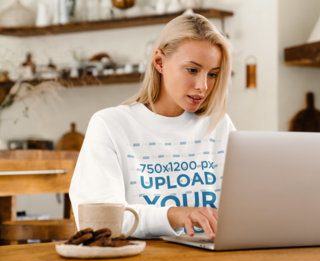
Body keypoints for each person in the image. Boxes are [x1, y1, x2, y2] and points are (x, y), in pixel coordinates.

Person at [69, 13, 235, 240]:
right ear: (159, 62)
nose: (203, 86)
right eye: (192, 70)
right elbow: (101, 222)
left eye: (213, 74)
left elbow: (243, 207)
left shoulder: (220, 125)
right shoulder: (110, 125)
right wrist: (174, 215)